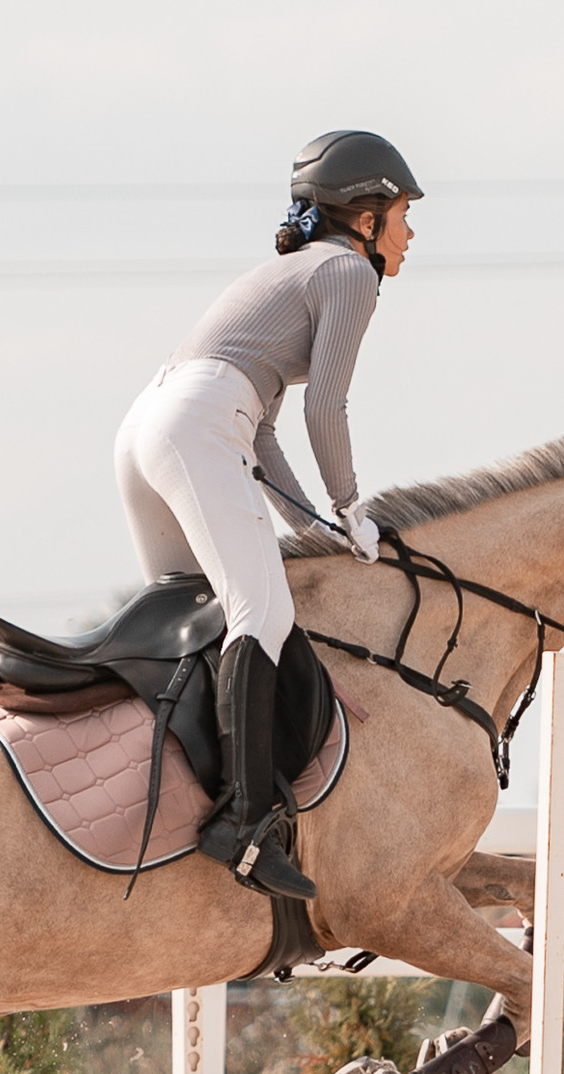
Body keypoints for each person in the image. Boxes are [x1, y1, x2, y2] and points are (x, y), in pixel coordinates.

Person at [112, 129, 420, 902]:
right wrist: (351, 508)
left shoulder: (293, 272)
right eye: (404, 214)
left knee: (197, 616)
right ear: (365, 214)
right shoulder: (350, 270)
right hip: (197, 424)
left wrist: (313, 528)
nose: (411, 233)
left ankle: (162, 789)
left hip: (149, 424)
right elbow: (327, 406)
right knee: (259, 609)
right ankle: (245, 823)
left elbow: (261, 435)